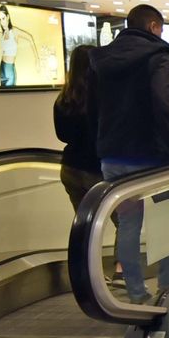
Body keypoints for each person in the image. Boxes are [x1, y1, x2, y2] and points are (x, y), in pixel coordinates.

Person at [90, 4, 169, 303]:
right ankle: (167, 288)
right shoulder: (160, 59)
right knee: (168, 221)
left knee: (128, 225)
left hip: (113, 156)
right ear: (153, 26)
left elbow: (94, 109)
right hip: (154, 158)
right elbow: (164, 108)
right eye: (161, 29)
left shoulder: (104, 60)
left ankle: (137, 293)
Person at [54, 45, 101, 212]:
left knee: (83, 225)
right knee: (124, 222)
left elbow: (62, 135)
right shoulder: (99, 97)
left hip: (70, 167)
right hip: (96, 169)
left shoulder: (63, 98)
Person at [0, 5, 37, 87]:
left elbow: (30, 38)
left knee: (10, 94)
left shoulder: (15, 31)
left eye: (3, 18)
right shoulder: (2, 35)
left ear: (8, 17)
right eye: (0, 19)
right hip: (2, 67)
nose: (2, 22)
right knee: (2, 95)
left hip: (10, 68)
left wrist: (37, 59)